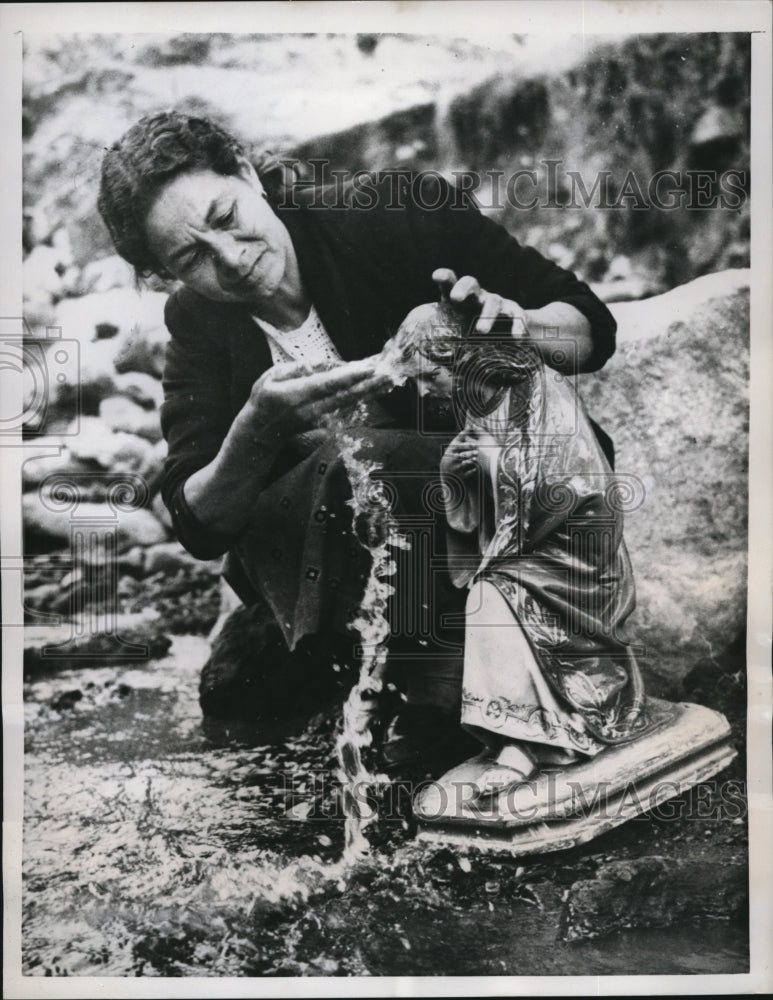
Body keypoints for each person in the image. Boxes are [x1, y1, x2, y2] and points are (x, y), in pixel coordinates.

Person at [97, 110, 620, 773]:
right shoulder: (199, 319)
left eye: (226, 217)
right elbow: (197, 518)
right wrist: (255, 429)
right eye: (191, 257)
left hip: (494, 517)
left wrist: (517, 325)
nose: (230, 258)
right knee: (236, 704)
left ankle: (442, 695)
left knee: (367, 462)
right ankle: (375, 675)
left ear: (246, 172)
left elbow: (588, 330)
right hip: (350, 563)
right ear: (166, 276)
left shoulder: (391, 213)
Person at [389, 302, 651, 798]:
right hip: (527, 545)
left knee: (493, 593)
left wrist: (491, 463)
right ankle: (517, 731)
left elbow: (575, 485)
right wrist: (452, 474)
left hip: (574, 555)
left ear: (463, 358)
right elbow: (477, 508)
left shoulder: (539, 391)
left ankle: (524, 743)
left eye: (428, 375)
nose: (422, 391)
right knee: (492, 589)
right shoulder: (479, 399)